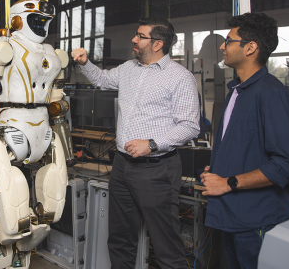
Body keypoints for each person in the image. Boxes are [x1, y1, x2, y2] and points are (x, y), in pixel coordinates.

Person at [72, 17, 200, 269]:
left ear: (157, 44)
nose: (133, 39)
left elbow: (189, 126)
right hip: (122, 166)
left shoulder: (180, 77)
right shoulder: (129, 68)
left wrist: (151, 144)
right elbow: (103, 79)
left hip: (156, 169)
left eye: (140, 36)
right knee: (120, 238)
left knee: (166, 245)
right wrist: (85, 63)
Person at [200, 12, 289, 269]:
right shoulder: (237, 91)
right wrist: (218, 169)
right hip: (233, 215)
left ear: (250, 48)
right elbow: (245, 146)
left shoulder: (271, 95)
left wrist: (228, 182)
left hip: (257, 220)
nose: (223, 46)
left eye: (229, 40)